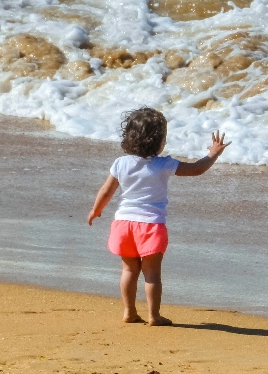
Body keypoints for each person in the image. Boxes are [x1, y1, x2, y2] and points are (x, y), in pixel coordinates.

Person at [88, 107, 230, 326]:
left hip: (123, 224)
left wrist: (96, 210)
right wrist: (212, 154)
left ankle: (129, 311)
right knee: (152, 274)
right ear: (159, 141)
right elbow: (196, 169)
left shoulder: (120, 163)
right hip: (150, 225)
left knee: (128, 270)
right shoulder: (163, 164)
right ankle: (154, 316)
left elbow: (106, 190)